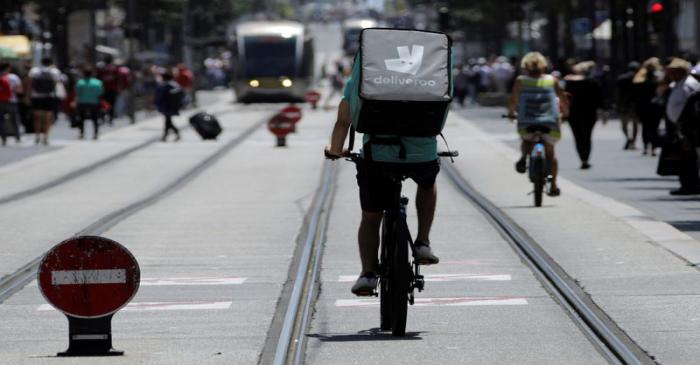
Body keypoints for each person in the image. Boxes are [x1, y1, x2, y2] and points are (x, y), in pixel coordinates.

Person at [324, 56, 442, 295]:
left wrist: (336, 151)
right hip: (422, 156)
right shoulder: (425, 77)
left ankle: (368, 274)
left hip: (377, 156)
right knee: (427, 183)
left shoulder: (361, 80)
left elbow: (343, 121)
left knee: (371, 217)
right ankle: (422, 243)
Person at [508, 52, 569, 195]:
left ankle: (524, 157)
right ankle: (553, 185)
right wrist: (565, 114)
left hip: (526, 120)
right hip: (550, 122)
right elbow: (563, 99)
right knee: (550, 154)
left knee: (527, 139)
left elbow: (513, 100)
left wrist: (511, 113)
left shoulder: (521, 80)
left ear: (526, 66)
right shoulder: (551, 80)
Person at [664, 58, 700, 195]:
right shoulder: (678, 84)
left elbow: (689, 109)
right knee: (683, 158)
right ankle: (686, 184)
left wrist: (685, 129)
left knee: (688, 159)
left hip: (687, 127)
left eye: (673, 72)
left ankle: (691, 185)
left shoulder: (689, 85)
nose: (670, 75)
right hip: (680, 126)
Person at [564, 61, 604, 169]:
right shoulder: (593, 82)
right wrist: (604, 111)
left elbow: (564, 99)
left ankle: (582, 158)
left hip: (573, 114)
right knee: (587, 136)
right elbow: (599, 99)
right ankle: (585, 158)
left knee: (577, 137)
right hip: (589, 113)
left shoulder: (569, 83)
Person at [632, 58, 664, 156]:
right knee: (652, 127)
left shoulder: (640, 77)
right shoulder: (656, 77)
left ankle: (648, 147)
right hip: (651, 107)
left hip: (646, 106)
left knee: (647, 127)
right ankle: (651, 147)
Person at [28, 57, 62, 145]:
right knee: (47, 118)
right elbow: (56, 83)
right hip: (49, 96)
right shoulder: (55, 71)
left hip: (36, 96)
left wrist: (27, 96)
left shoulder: (34, 71)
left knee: (37, 118)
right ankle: (46, 137)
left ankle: (37, 136)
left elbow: (30, 83)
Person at [616, 61, 641, 150]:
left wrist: (618, 104)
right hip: (635, 105)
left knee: (624, 124)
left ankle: (628, 138)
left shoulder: (622, 78)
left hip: (623, 104)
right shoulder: (639, 79)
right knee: (635, 124)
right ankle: (633, 142)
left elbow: (618, 93)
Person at [74, 68, 104, 140]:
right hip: (94, 102)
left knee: (81, 118)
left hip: (82, 102)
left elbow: (77, 92)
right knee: (95, 118)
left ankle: (82, 133)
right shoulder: (98, 82)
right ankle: (95, 133)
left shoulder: (80, 82)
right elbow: (100, 93)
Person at [154, 70, 182, 142]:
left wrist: (156, 103)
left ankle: (168, 135)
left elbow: (161, 96)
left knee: (167, 121)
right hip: (172, 106)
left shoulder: (165, 86)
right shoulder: (174, 84)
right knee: (168, 121)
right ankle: (168, 135)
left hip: (167, 106)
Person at [0, 62, 23, 146]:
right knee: (14, 120)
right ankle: (17, 137)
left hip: (0, 102)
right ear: (8, 68)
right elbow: (19, 90)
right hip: (12, 101)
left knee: (1, 121)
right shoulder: (13, 77)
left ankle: (3, 138)